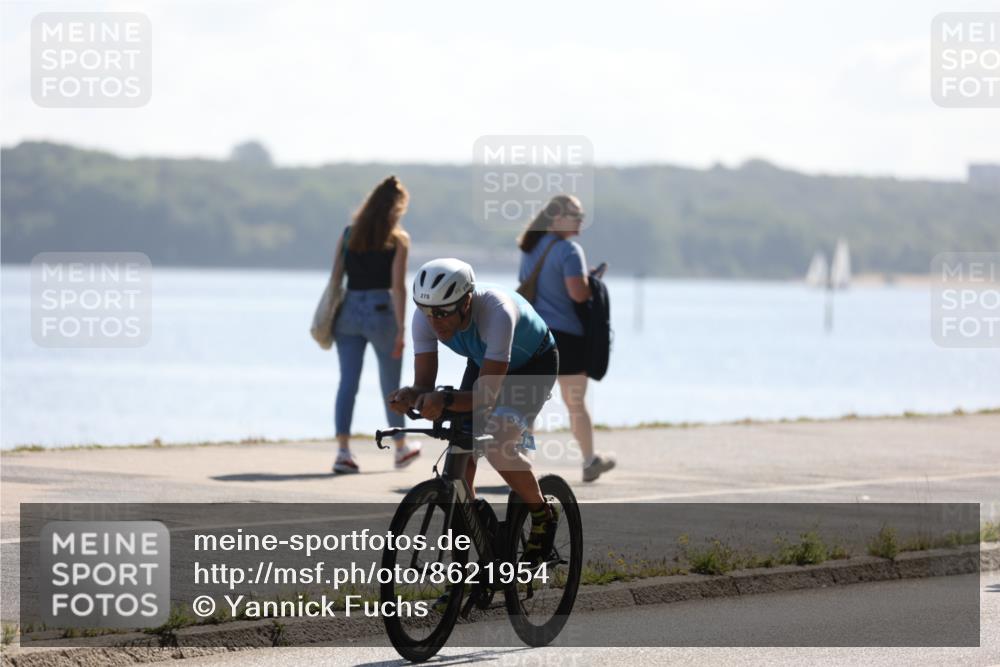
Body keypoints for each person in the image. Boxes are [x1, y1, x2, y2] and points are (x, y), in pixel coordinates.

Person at [387, 258, 560, 565]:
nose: (433, 321)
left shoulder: (496, 312)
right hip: (485, 362)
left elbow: (486, 395)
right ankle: (476, 540)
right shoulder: (424, 318)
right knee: (461, 454)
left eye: (442, 313)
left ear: (466, 301)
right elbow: (424, 384)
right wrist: (409, 396)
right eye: (426, 311)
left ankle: (543, 515)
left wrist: (444, 400)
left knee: (496, 446)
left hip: (533, 365)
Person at [518, 194, 615, 483]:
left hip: (532, 334)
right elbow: (578, 294)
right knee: (575, 403)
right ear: (555, 218)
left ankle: (522, 461)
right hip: (567, 338)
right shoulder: (570, 250)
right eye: (575, 214)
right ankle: (589, 461)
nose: (580, 219)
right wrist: (592, 281)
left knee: (529, 404)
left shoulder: (529, 248)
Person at [330, 175, 420, 474]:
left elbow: (335, 278)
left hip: (349, 311)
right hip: (382, 312)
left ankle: (343, 451)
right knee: (391, 385)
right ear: (396, 209)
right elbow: (398, 287)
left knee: (348, 383)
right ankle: (400, 448)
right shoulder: (398, 240)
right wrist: (402, 330)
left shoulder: (348, 234)